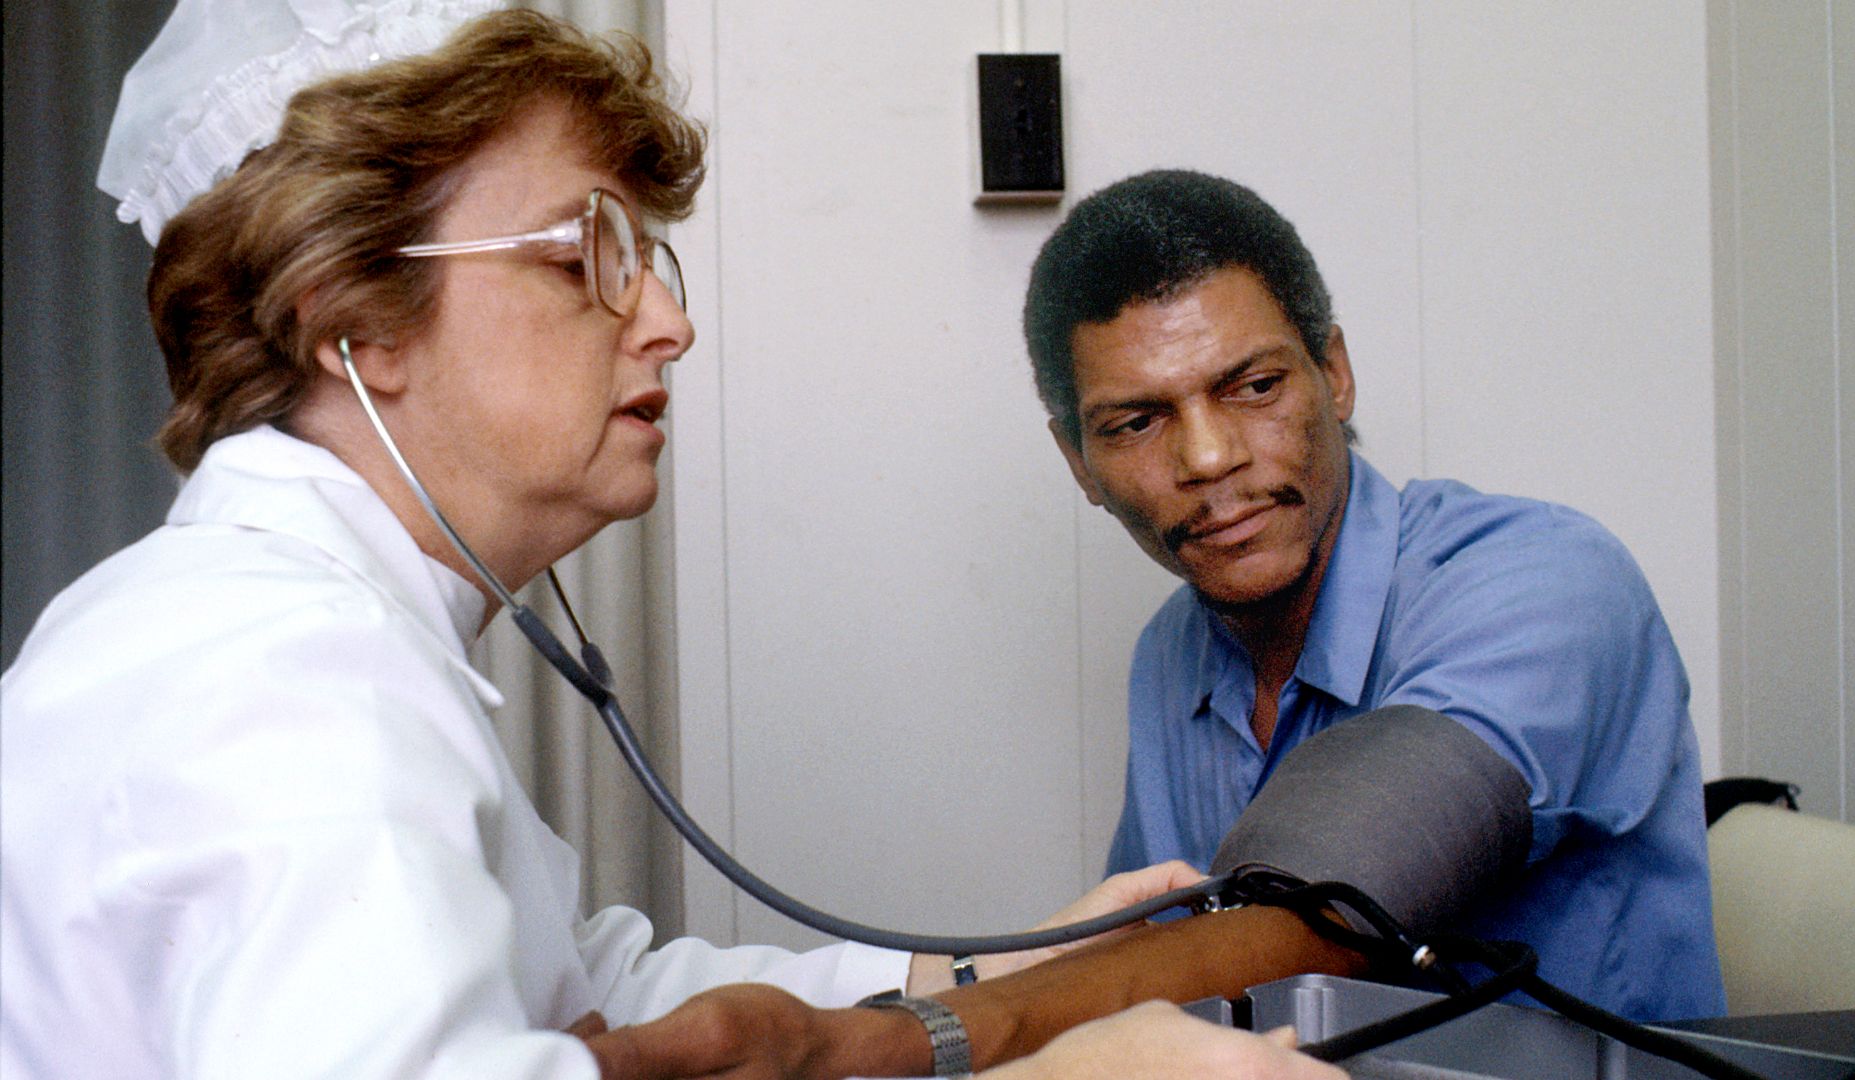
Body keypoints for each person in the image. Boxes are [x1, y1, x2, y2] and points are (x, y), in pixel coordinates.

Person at [0, 5, 1347, 1078]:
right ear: (354, 312)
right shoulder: (274, 676)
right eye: (589, 251)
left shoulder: (318, 644)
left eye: (654, 259)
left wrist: (982, 981)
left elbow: (597, 994)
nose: (665, 321)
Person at [1022, 169, 1725, 1022]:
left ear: (1335, 373)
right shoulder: (1169, 657)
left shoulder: (1547, 580)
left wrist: (906, 1035)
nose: (1208, 458)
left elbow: (1330, 903)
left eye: (1254, 387)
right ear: (1077, 463)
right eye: (1137, 423)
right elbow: (1154, 976)